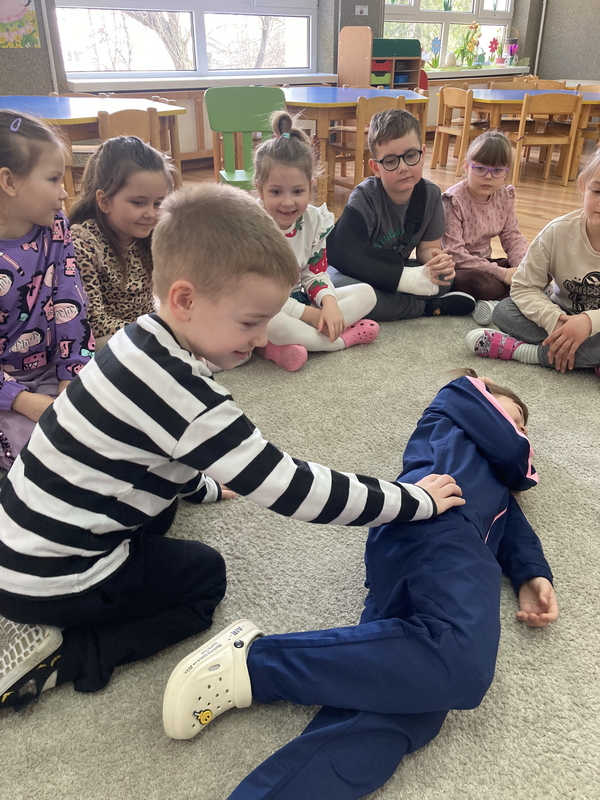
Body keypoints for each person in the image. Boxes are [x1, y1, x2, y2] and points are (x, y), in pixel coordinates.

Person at [0, 183, 463, 713]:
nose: (264, 338)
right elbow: (295, 489)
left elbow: (136, 446)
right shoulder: (189, 399)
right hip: (53, 579)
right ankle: (72, 655)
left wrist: (201, 485)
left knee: (163, 511)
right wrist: (413, 500)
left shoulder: (134, 339)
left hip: (16, 543)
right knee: (202, 578)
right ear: (185, 300)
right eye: (249, 322)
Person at [163, 371, 557, 800]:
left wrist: (531, 573)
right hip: (439, 523)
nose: (521, 434)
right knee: (461, 660)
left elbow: (512, 522)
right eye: (516, 420)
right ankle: (254, 664)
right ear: (486, 394)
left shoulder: (495, 472)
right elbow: (514, 457)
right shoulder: (458, 401)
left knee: (406, 709)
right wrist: (507, 432)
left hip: (436, 553)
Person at [0, 110, 93, 472]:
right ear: (9, 181)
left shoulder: (56, 227)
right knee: (37, 457)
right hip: (7, 390)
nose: (65, 192)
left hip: (52, 369)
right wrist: (23, 400)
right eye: (54, 179)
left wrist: (72, 377)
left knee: (112, 423)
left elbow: (71, 303)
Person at [252, 111, 379, 372]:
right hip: (262, 306)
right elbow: (259, 294)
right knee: (273, 323)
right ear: (259, 188)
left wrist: (329, 304)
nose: (288, 202)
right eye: (276, 192)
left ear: (311, 186)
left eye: (298, 191)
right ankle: (338, 341)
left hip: (298, 300)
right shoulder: (252, 227)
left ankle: (289, 343)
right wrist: (312, 314)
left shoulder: (314, 220)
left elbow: (315, 273)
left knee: (367, 294)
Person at [326, 108, 476, 322]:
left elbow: (426, 250)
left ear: (422, 154)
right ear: (375, 168)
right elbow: (345, 254)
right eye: (390, 161)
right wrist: (406, 280)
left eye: (411, 156)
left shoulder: (431, 195)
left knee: (444, 279)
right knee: (335, 286)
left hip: (395, 270)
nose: (403, 167)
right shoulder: (364, 197)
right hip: (361, 274)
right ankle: (425, 308)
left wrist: (437, 262)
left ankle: (392, 300)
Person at [466, 147, 600, 376]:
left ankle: (525, 352)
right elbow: (522, 286)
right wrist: (555, 322)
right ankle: (586, 357)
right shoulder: (557, 231)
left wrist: (589, 322)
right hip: (560, 312)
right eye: (597, 190)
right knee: (504, 311)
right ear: (582, 185)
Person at [69, 136, 174, 353]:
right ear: (104, 201)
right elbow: (95, 324)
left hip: (144, 328)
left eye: (158, 203)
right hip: (106, 339)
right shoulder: (82, 244)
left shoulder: (153, 232)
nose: (151, 213)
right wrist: (157, 332)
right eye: (138, 202)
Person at [442, 130, 529, 324]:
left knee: (540, 269)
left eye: (497, 171)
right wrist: (503, 274)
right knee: (480, 284)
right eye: (480, 169)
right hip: (460, 268)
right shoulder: (453, 200)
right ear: (467, 166)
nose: (488, 177)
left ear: (506, 171)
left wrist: (521, 269)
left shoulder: (504, 196)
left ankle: (505, 298)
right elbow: (454, 254)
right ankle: (513, 298)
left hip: (486, 263)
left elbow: (512, 236)